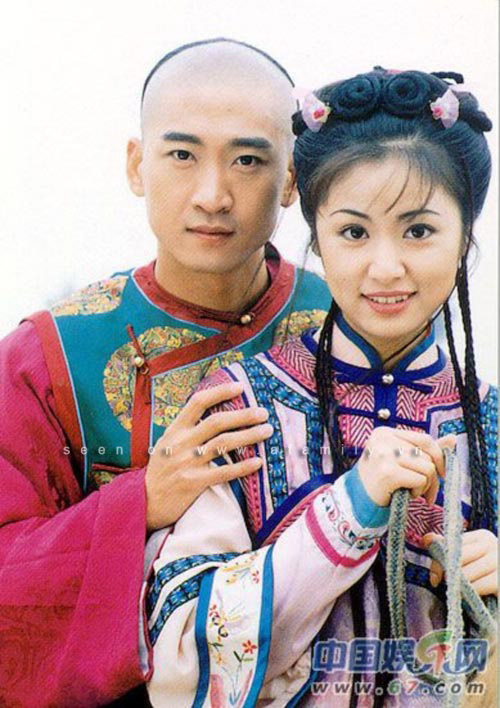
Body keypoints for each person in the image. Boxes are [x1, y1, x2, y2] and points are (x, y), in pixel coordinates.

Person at [144, 68, 498, 706]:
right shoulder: (241, 405)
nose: (385, 267)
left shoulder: (491, 423)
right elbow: (177, 662)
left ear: (465, 238)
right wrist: (349, 512)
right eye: (354, 232)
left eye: (419, 231)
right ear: (317, 239)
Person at [0, 39, 332, 707]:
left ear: (292, 179)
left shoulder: (344, 324)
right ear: (137, 165)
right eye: (182, 155)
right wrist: (142, 503)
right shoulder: (46, 355)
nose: (213, 195)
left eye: (247, 160)